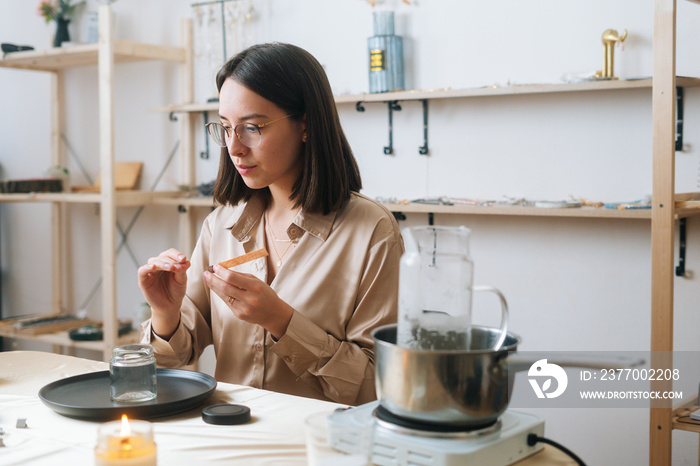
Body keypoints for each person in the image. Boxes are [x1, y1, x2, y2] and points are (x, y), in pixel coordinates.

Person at [138, 42, 403, 406]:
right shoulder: (221, 226)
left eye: (252, 127)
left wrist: (283, 322)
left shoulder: (372, 232)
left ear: (306, 126)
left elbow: (379, 386)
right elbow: (170, 361)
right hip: (232, 440)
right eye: (226, 128)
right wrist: (164, 313)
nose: (234, 148)